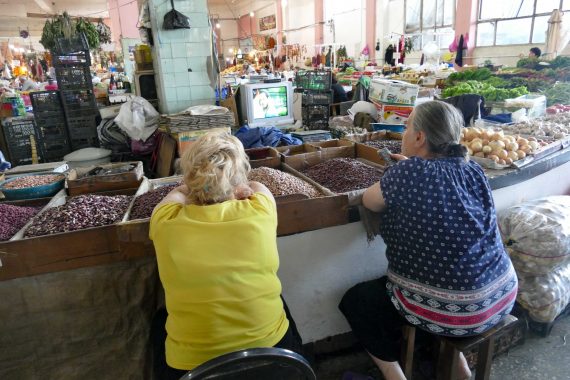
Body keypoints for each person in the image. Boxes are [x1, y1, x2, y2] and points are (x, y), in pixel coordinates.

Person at [339, 101, 518, 380]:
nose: (405, 133)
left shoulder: (408, 173)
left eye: (408, 127)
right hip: (500, 294)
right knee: (443, 278)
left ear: (420, 137)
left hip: (459, 311)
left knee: (357, 301)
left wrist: (403, 173)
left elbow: (369, 201)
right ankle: (460, 371)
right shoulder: (474, 170)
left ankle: (394, 375)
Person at [149, 132, 302, 380]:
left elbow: (178, 193)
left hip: (193, 368)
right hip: (274, 359)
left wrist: (198, 185)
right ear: (239, 176)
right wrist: (232, 185)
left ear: (190, 176)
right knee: (280, 301)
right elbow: (255, 186)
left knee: (159, 322)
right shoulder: (260, 208)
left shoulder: (165, 219)